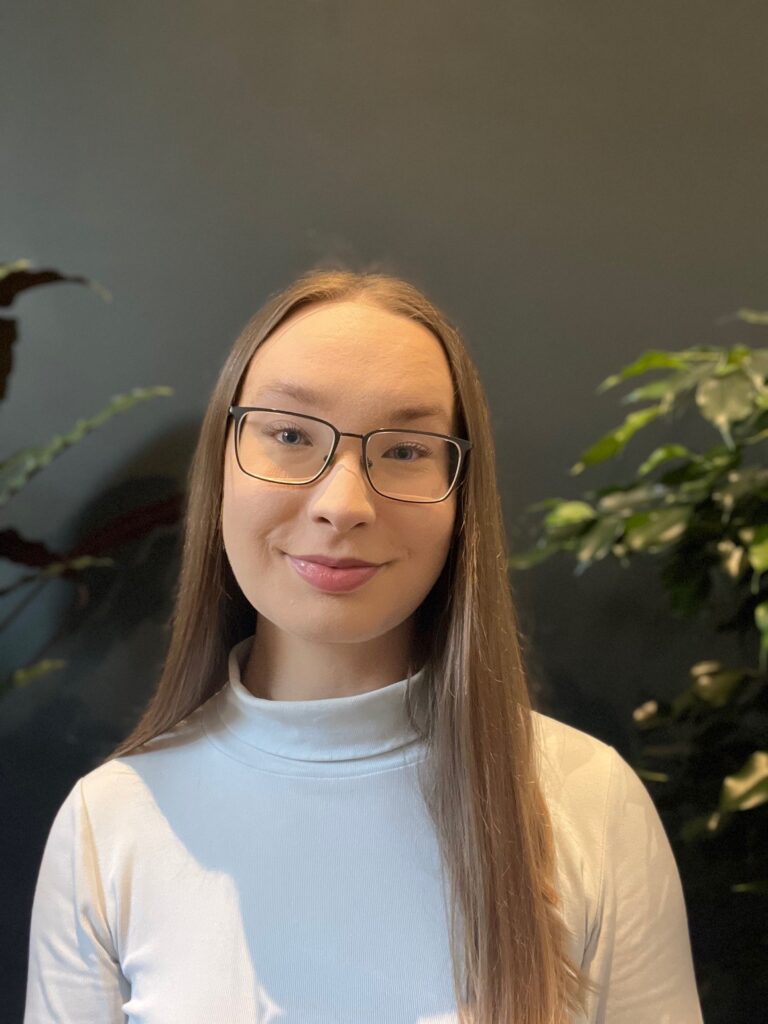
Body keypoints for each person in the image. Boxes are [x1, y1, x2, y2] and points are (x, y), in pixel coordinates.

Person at [23, 268, 704, 1024]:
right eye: (288, 435)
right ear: (221, 471)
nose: (343, 504)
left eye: (407, 451)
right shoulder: (111, 824)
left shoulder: (586, 801)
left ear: (461, 498)